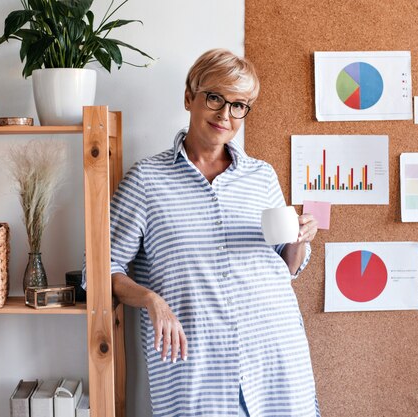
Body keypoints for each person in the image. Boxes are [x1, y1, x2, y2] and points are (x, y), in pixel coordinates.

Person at [109, 49, 321, 417]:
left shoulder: (262, 176)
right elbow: (100, 269)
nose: (225, 114)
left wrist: (301, 239)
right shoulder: (146, 180)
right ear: (190, 98)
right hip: (196, 367)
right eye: (215, 98)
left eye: (239, 105)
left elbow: (286, 266)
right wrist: (150, 300)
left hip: (274, 353)